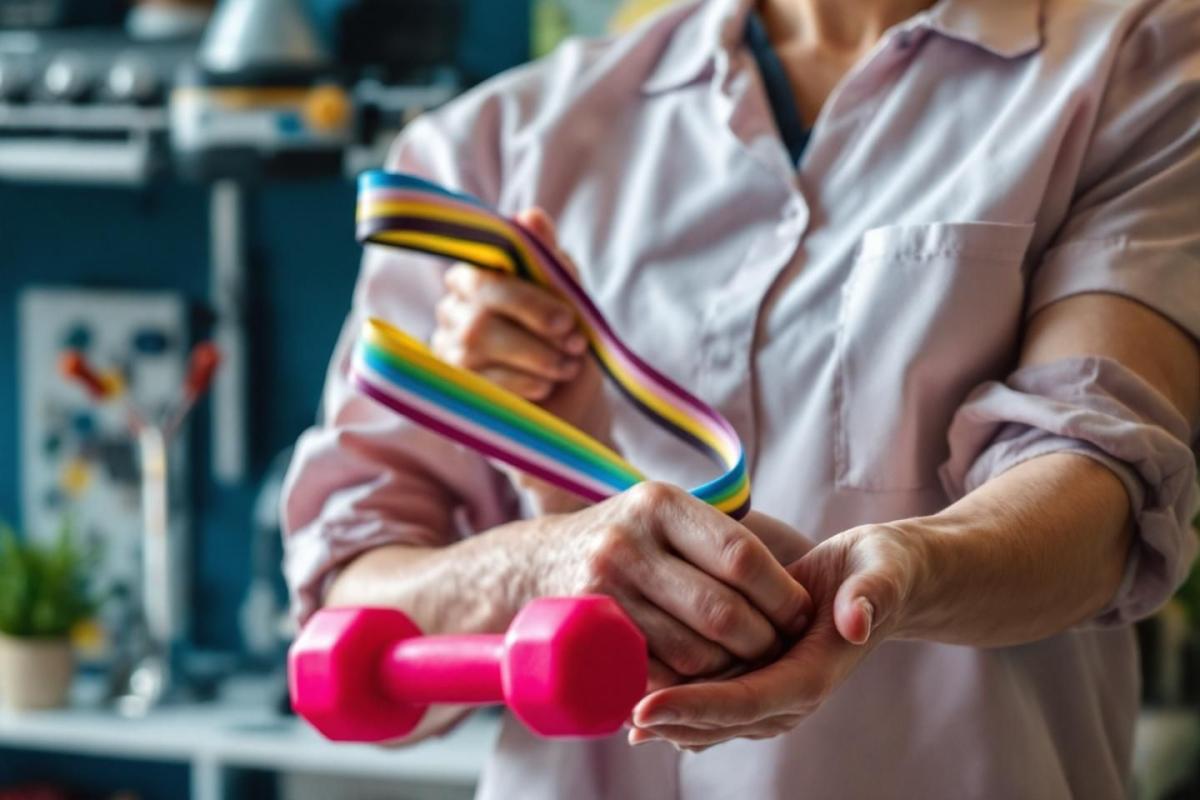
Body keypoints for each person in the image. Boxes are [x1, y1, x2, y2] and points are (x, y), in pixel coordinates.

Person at [282, 0, 1200, 796]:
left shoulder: (1144, 69)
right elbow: (344, 637)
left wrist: (903, 576)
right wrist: (548, 550)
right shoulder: (489, 147)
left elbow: (1105, 494)